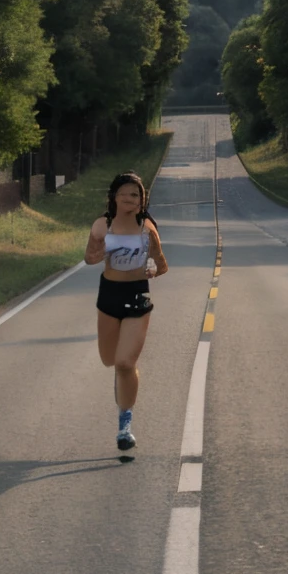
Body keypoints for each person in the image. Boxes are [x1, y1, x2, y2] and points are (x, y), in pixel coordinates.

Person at [85, 171, 168, 452]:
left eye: (136, 194)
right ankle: (122, 385)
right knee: (109, 359)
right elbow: (89, 257)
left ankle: (125, 424)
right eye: (125, 193)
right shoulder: (102, 226)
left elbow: (162, 264)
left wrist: (154, 269)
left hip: (138, 296)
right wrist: (99, 253)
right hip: (109, 295)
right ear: (114, 197)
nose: (130, 198)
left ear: (142, 199)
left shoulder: (147, 228)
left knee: (124, 362)